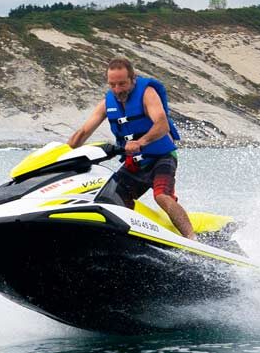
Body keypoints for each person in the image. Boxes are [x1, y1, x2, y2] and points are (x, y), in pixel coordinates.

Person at [66, 58, 195, 239]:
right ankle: (126, 236)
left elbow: (162, 124)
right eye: (113, 85)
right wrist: (64, 152)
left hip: (162, 157)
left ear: (133, 78)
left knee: (162, 196)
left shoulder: (147, 94)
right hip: (134, 162)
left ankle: (192, 239)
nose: (118, 90)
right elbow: (84, 131)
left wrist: (140, 142)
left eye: (122, 84)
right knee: (110, 196)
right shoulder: (107, 103)